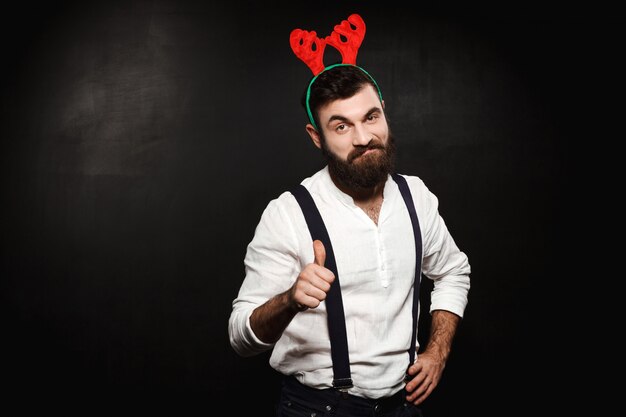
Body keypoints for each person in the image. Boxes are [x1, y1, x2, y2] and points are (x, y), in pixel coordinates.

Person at [229, 15, 470, 417]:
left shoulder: (416, 197)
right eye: (341, 126)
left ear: (384, 113)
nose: (362, 138)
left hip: (403, 406)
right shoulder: (288, 214)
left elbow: (452, 272)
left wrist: (437, 351)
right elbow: (240, 337)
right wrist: (289, 300)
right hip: (318, 407)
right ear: (316, 136)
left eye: (370, 117)